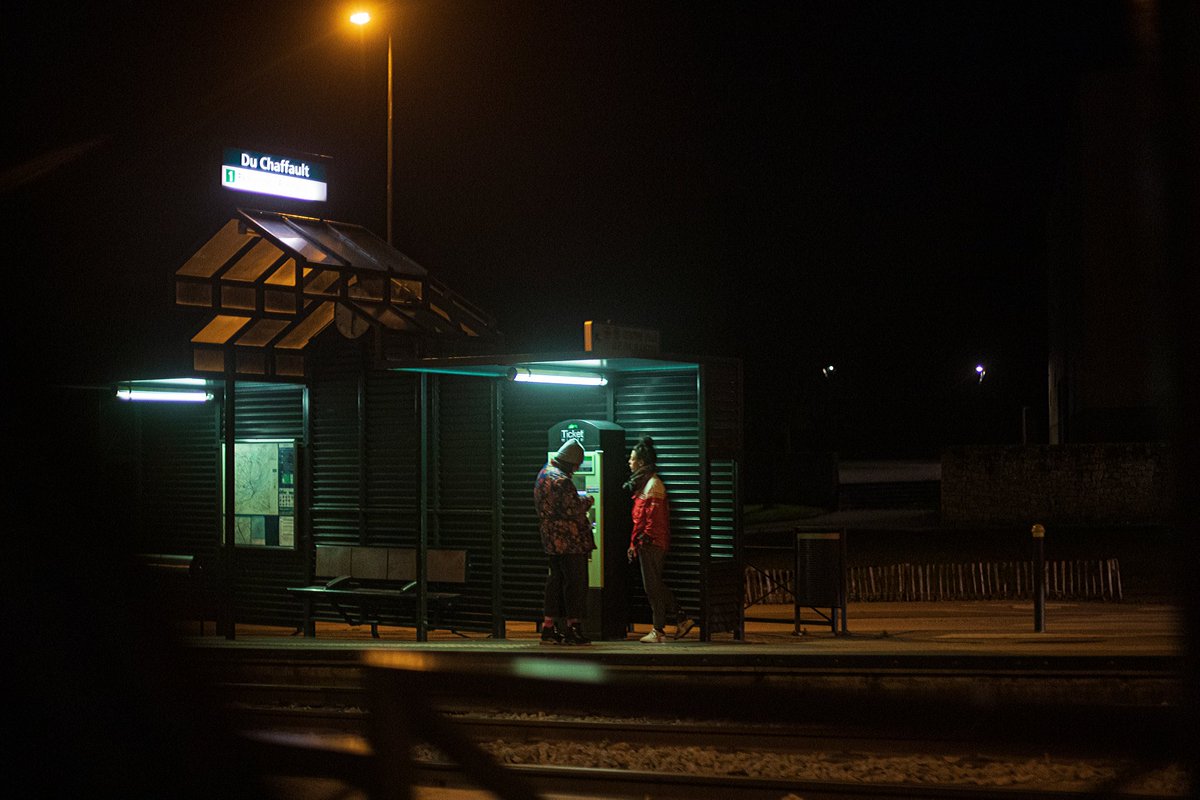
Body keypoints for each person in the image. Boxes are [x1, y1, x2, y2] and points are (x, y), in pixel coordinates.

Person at [625, 435, 695, 643]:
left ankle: (659, 629)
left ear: (642, 462)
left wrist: (642, 541)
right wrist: (633, 544)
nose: (629, 462)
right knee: (654, 585)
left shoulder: (653, 486)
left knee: (652, 587)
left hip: (652, 544)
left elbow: (652, 521)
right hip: (647, 543)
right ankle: (681, 618)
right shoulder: (645, 484)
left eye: (632, 458)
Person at [535, 438, 596, 645]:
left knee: (555, 582)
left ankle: (549, 628)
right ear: (571, 463)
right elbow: (572, 508)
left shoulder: (544, 473)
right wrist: (588, 500)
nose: (577, 469)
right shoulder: (562, 481)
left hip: (551, 541)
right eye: (577, 465)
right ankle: (573, 628)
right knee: (576, 584)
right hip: (570, 541)